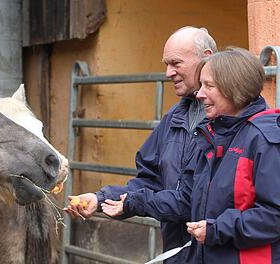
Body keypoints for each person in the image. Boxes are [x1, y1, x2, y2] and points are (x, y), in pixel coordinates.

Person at [101, 47, 280, 263]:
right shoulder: (211, 134)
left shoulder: (264, 139)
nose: (200, 93)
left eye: (209, 86)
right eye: (201, 84)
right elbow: (187, 198)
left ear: (235, 88)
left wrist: (216, 229)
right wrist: (133, 202)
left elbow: (274, 215)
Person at [64, 26, 217, 264]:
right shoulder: (174, 119)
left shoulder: (228, 123)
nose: (168, 72)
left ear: (207, 58)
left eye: (176, 63)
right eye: (166, 64)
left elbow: (195, 200)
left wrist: (136, 202)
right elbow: (149, 180)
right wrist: (101, 199)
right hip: (178, 253)